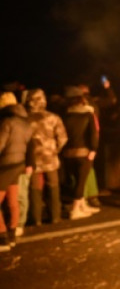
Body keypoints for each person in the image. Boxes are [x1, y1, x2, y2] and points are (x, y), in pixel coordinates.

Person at [26, 88, 67, 226]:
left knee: (35, 188)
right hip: (51, 158)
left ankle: (35, 218)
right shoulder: (53, 118)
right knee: (53, 186)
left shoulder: (25, 119)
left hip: (33, 160)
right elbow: (63, 138)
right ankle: (55, 216)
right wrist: (55, 150)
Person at [0, 92, 33, 250]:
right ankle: (12, 234)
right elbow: (29, 145)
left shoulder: (6, 122)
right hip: (18, 165)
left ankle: (2, 237)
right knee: (13, 201)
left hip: (4, 166)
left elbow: (0, 144)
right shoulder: (25, 122)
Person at [61, 86, 100, 219]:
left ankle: (83, 205)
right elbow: (93, 134)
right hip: (84, 152)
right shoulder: (88, 114)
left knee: (76, 180)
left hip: (68, 153)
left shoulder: (65, 115)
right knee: (81, 181)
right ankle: (75, 210)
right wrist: (94, 149)